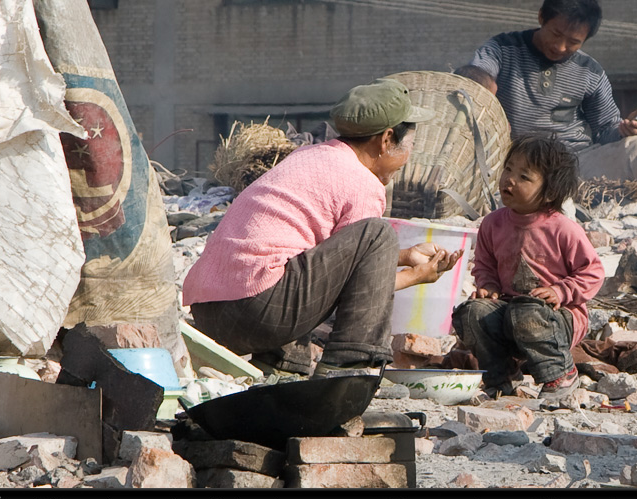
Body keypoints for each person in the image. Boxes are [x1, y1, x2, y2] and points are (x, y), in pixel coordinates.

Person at [183, 78, 463, 378]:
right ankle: (349, 368)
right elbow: (358, 286)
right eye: (409, 146)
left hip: (209, 313)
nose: (406, 160)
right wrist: (417, 276)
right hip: (257, 312)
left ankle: (282, 366)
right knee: (378, 234)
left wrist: (406, 255)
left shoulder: (308, 156)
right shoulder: (362, 183)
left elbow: (335, 259)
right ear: (386, 140)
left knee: (295, 255)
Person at [451, 134, 605, 400]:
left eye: (524, 177)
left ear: (550, 192)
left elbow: (593, 271)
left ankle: (560, 375)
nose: (509, 179)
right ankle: (500, 377)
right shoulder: (492, 224)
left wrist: (561, 291)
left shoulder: (563, 229)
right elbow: (484, 266)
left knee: (527, 312)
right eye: (508, 169)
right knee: (470, 313)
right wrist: (488, 287)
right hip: (509, 312)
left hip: (556, 318)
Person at [467, 0, 637, 180]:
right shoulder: (501, 49)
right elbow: (478, 77)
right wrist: (482, 86)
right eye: (556, 34)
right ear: (541, 17)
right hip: (515, 164)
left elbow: (605, 129)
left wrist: (624, 131)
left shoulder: (590, 71)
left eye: (573, 42)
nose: (560, 47)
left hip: (576, 164)